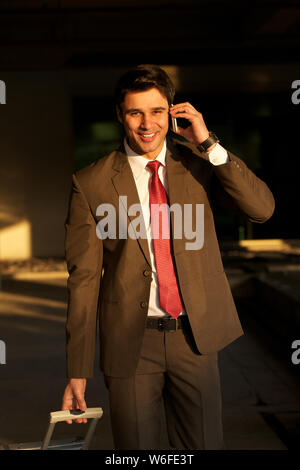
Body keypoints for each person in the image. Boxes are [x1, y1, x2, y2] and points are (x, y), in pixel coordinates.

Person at [61, 64, 275, 450]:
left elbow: (261, 209)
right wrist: (77, 370)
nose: (147, 124)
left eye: (157, 111)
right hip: (130, 343)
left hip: (194, 339)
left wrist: (208, 143)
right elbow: (84, 279)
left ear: (173, 111)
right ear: (119, 115)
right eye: (135, 112)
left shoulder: (198, 162)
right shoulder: (90, 183)